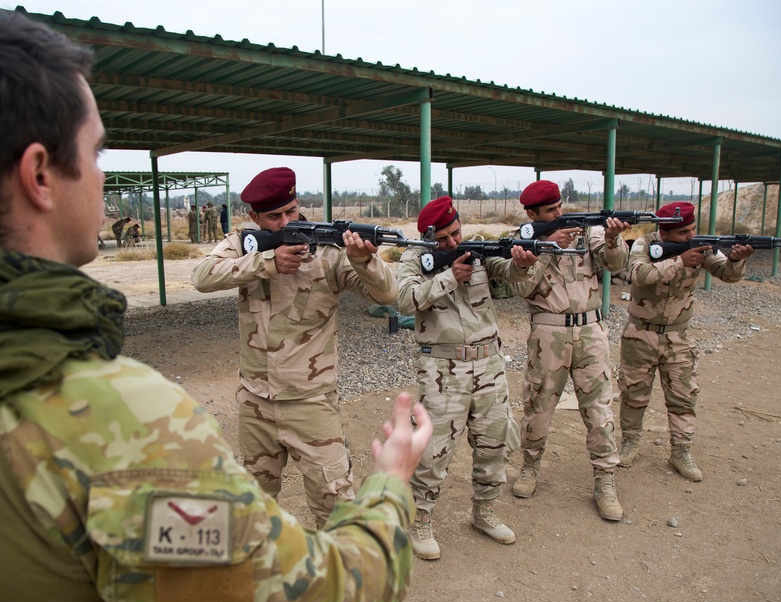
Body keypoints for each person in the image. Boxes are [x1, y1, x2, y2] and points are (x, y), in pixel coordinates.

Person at [0, 3, 431, 602]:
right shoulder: (122, 423)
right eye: (95, 150)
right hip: (264, 404)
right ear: (40, 174)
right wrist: (390, 481)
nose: (102, 173)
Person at [192, 167, 399, 526]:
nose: (287, 221)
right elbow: (201, 277)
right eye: (275, 216)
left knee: (334, 502)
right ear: (254, 217)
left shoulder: (330, 252)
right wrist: (267, 262)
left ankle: (338, 577)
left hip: (310, 403)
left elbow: (388, 294)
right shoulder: (245, 243)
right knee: (255, 503)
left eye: (292, 210)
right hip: (255, 401)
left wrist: (366, 261)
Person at [396, 196, 538, 560]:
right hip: (443, 369)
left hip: (489, 363)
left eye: (456, 233)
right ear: (427, 237)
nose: (453, 244)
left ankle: (484, 510)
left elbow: (509, 274)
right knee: (433, 449)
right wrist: (447, 276)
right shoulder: (414, 258)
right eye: (443, 240)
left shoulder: (477, 250)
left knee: (495, 441)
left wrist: (523, 264)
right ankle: (421, 519)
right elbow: (405, 299)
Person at [509, 180, 630, 521]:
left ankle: (605, 481)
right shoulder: (525, 242)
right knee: (538, 404)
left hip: (592, 329)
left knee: (599, 408)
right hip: (549, 332)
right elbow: (520, 286)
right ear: (532, 214)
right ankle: (530, 467)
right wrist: (547, 247)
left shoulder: (585, 233)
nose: (560, 215)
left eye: (560, 207)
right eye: (551, 211)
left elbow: (616, 263)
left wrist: (611, 238)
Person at [617, 202, 753, 481]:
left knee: (683, 396)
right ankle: (630, 442)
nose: (691, 237)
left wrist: (737, 260)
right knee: (633, 394)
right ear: (664, 234)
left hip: (679, 336)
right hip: (640, 334)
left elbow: (727, 273)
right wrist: (680, 261)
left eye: (692, 229)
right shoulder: (645, 244)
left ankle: (681, 450)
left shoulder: (702, 247)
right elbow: (638, 275)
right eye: (683, 233)